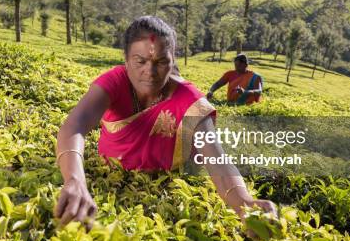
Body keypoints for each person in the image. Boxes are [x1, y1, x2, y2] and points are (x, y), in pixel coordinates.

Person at [54, 16, 276, 227]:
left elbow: (217, 158)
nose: (149, 72)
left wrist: (244, 203)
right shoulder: (115, 81)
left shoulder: (190, 101)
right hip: (109, 173)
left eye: (160, 62)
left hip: (163, 184)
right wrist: (75, 180)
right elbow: (75, 125)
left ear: (172, 61)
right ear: (126, 59)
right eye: (140, 61)